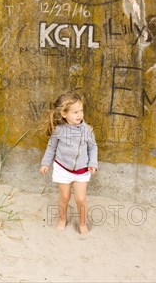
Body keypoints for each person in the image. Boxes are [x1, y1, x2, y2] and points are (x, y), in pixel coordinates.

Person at [39, 92, 98, 234]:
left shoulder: (87, 130)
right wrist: (45, 163)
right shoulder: (59, 130)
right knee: (64, 196)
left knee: (80, 198)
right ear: (64, 114)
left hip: (81, 170)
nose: (80, 115)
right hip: (62, 168)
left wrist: (93, 163)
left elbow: (93, 147)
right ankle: (62, 219)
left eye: (81, 111)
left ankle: (82, 224)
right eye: (75, 112)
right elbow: (51, 147)